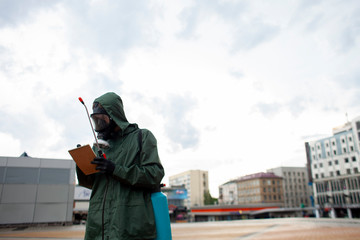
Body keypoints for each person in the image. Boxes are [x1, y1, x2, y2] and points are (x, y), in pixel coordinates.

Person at [76, 92, 165, 240]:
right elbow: (91, 183)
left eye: (102, 120)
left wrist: (114, 169)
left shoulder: (142, 137)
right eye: (95, 121)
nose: (99, 126)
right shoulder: (99, 147)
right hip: (97, 229)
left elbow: (154, 175)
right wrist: (82, 164)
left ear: (114, 116)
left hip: (128, 227)